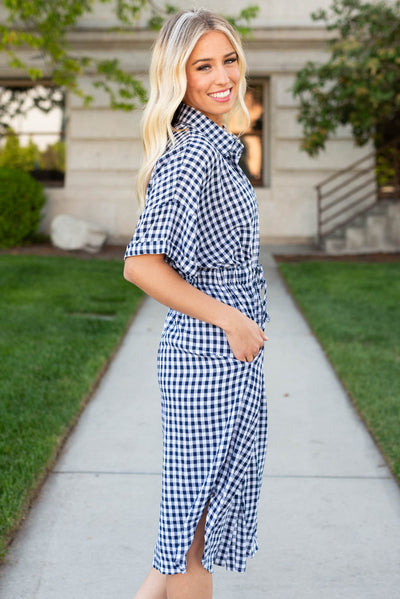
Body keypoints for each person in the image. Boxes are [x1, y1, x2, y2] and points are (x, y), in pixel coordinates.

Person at [123, 8, 269, 599]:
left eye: (228, 60)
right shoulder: (192, 156)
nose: (221, 76)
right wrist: (231, 318)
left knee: (187, 535)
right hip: (207, 359)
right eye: (202, 65)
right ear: (175, 76)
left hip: (227, 355)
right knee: (189, 543)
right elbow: (140, 264)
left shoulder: (215, 145)